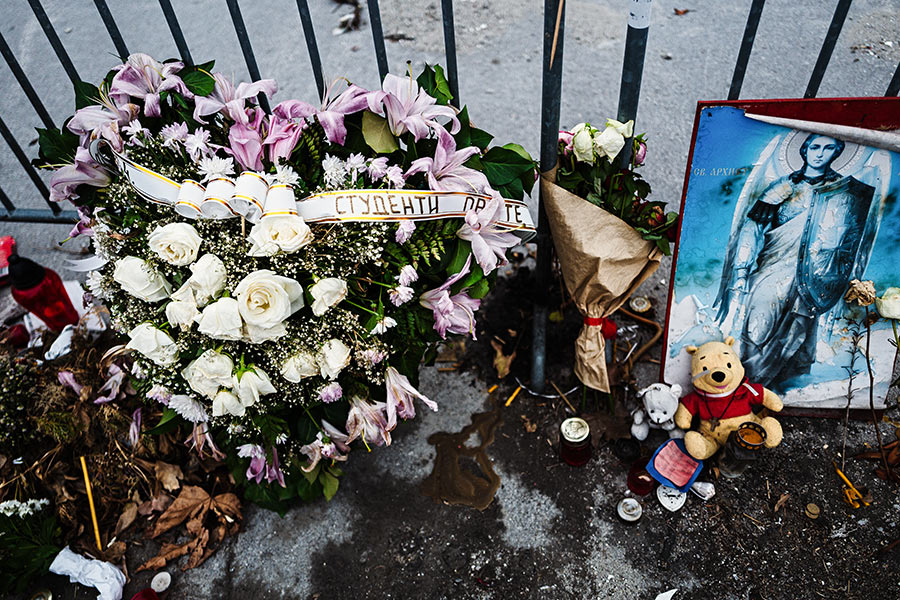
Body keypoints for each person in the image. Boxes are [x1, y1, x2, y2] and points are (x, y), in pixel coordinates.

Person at [714, 134, 876, 390]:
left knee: (797, 334)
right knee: (758, 323)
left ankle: (776, 392)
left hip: (814, 278)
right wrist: (742, 272)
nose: (820, 153)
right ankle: (742, 382)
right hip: (773, 267)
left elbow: (847, 239)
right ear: (804, 150)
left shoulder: (843, 191)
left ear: (837, 152)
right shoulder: (782, 187)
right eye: (815, 147)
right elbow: (751, 230)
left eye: (828, 148)